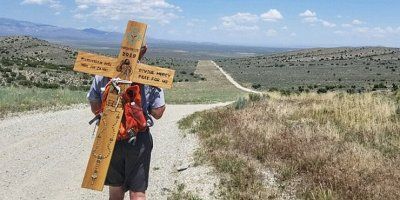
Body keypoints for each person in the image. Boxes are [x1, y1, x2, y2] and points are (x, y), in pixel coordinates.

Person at [87, 43, 166, 200]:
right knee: (138, 193)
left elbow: (95, 105)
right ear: (143, 51)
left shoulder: (104, 72)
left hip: (110, 136)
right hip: (139, 138)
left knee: (116, 191)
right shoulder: (150, 75)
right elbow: (158, 113)